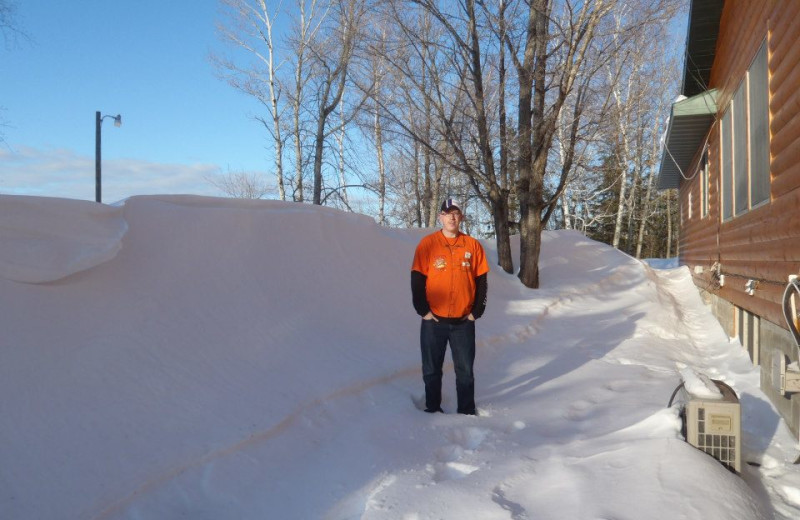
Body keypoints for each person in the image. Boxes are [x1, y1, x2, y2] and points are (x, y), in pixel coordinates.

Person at [411, 198, 489, 415]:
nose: (452, 217)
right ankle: (432, 408)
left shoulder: (472, 245)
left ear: (461, 216)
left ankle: (466, 411)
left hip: (464, 322)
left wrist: (477, 312)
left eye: (456, 213)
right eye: (448, 213)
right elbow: (417, 279)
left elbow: (482, 281)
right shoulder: (428, 244)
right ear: (441, 217)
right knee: (431, 369)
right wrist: (423, 310)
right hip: (434, 321)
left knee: (465, 371)